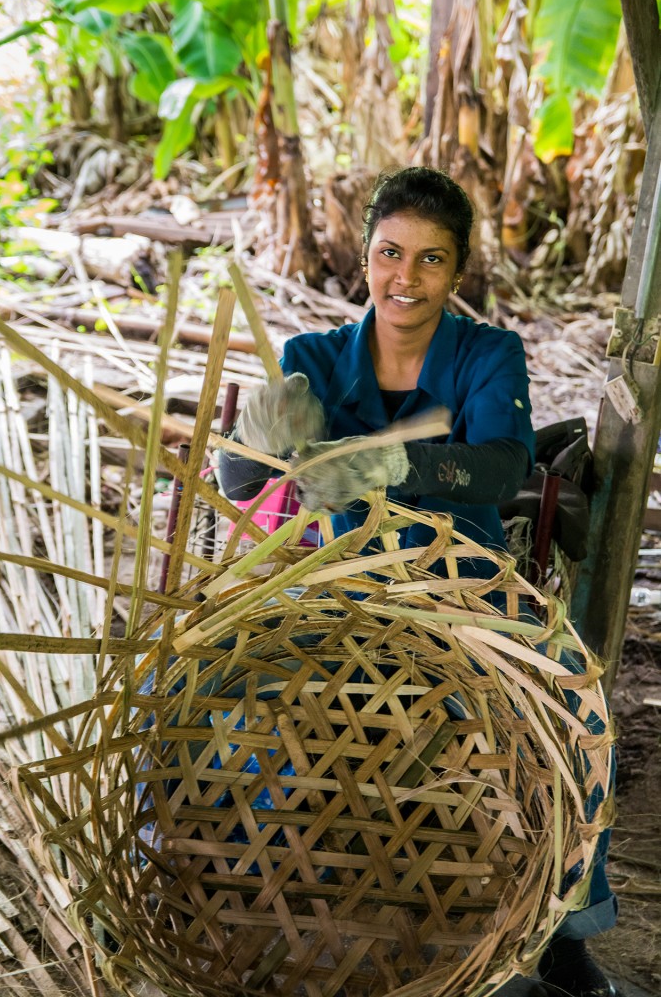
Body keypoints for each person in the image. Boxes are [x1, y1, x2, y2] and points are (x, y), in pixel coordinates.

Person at [219, 166, 621, 997]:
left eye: (431, 260)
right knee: (227, 682)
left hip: (464, 587)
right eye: (390, 254)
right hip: (341, 580)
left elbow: (502, 464)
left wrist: (396, 459)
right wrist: (253, 441)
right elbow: (239, 481)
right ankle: (246, 889)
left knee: (575, 704)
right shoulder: (313, 358)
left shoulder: (488, 354)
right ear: (365, 258)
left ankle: (560, 929)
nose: (407, 278)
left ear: (458, 269)